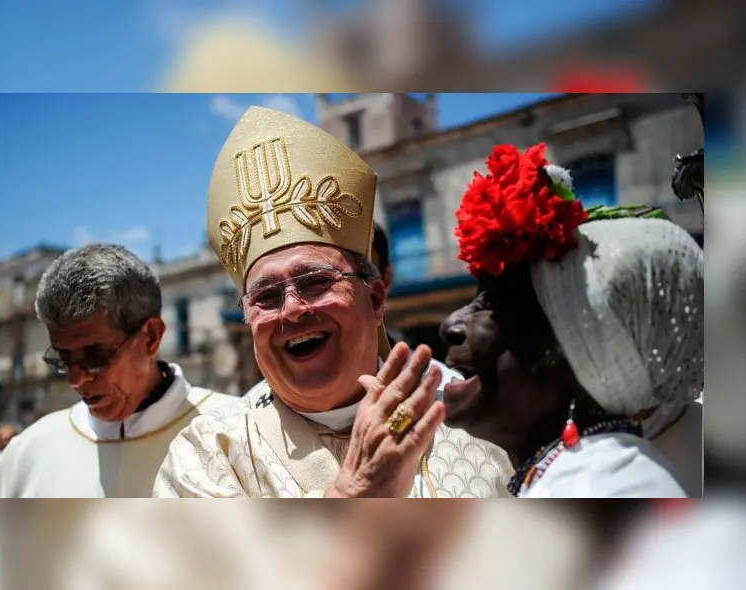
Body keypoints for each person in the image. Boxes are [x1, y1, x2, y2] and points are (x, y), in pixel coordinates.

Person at [154, 106, 512, 498]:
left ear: (375, 298)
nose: (291, 309)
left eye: (315, 282)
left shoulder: (477, 418)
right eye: (266, 296)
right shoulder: (208, 454)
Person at [435, 143, 699, 498]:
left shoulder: (608, 487)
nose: (451, 324)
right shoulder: (571, 476)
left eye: (495, 304)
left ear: (574, 357)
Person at [0, 244, 237, 498]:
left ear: (151, 338)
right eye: (63, 358)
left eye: (96, 356)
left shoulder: (237, 435)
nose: (76, 379)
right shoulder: (29, 454)